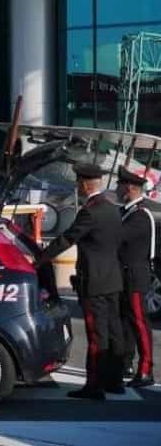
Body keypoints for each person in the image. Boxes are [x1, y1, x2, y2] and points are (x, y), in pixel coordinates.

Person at [36, 162, 125, 400]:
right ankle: (114, 381)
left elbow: (67, 239)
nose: (77, 186)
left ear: (85, 184)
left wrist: (39, 259)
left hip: (94, 283)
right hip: (113, 280)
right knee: (113, 332)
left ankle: (94, 386)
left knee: (97, 335)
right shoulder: (112, 208)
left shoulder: (90, 211)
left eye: (78, 182)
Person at [116, 166, 155, 387]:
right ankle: (125, 363)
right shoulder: (126, 212)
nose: (117, 188)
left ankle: (146, 369)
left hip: (135, 278)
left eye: (120, 185)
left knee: (140, 324)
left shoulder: (140, 215)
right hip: (123, 277)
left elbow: (119, 236)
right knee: (126, 324)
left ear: (130, 188)